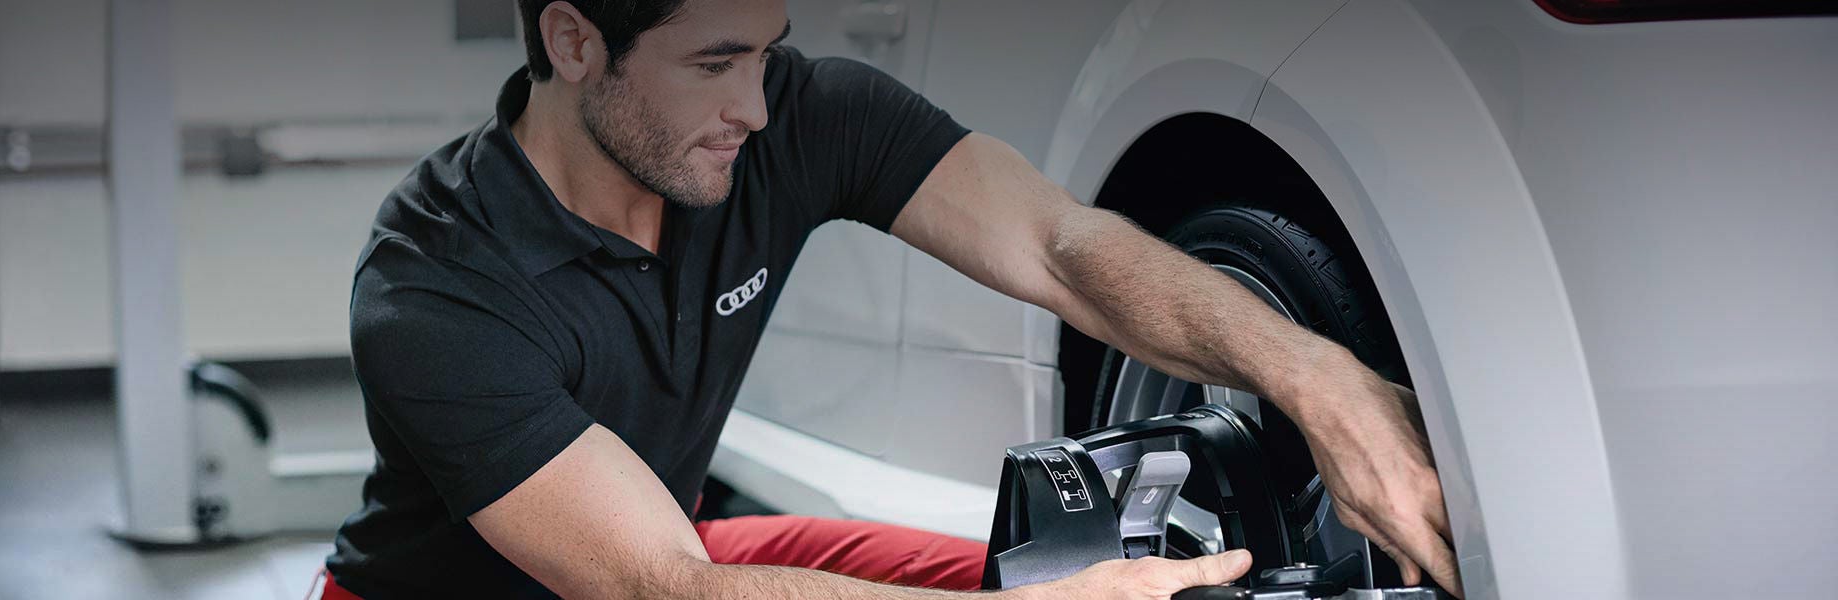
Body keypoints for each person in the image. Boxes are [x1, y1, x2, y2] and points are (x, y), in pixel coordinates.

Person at [319, 0, 1461, 598]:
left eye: (766, 52)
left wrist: (1317, 376)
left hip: (669, 555)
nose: (758, 108)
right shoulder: (431, 289)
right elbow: (651, 586)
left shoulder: (795, 119)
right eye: (714, 63)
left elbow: (1063, 247)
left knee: (1027, 575)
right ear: (574, 41)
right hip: (524, 589)